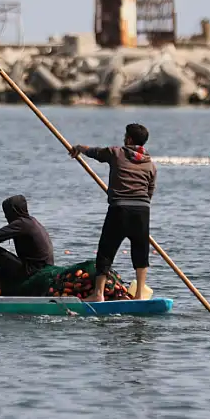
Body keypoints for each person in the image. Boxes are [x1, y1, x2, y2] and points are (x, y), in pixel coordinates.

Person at [68, 123, 156, 302]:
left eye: (125, 136)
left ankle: (98, 294)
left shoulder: (117, 153)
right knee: (141, 252)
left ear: (129, 139)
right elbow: (149, 192)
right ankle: (139, 295)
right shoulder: (150, 165)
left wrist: (78, 148)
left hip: (120, 209)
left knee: (106, 251)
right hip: (142, 210)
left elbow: (94, 152)